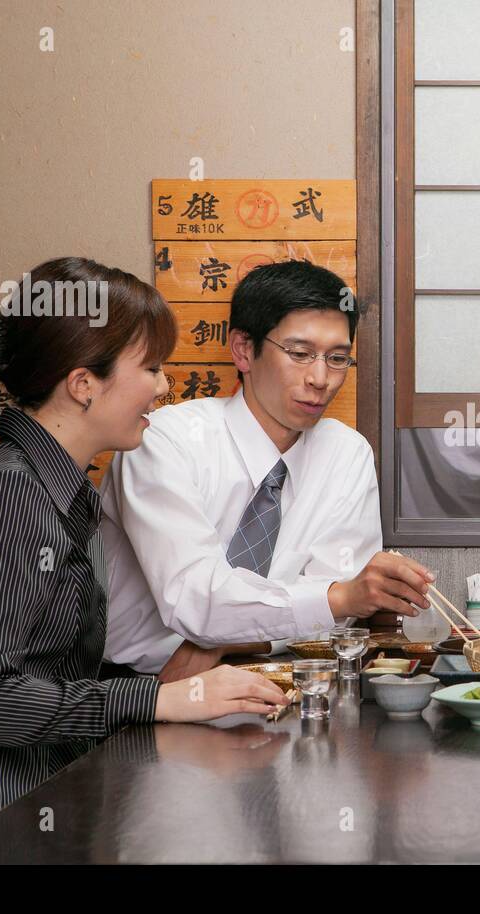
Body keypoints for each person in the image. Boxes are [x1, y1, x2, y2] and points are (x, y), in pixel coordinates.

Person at [0, 259, 290, 865]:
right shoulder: (11, 495)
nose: (163, 388)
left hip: (21, 814)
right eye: (151, 368)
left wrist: (168, 684)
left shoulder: (60, 491)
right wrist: (161, 700)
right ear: (84, 383)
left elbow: (46, 672)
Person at [100, 260, 434, 680]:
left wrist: (225, 642)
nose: (321, 379)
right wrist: (330, 600)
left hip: (279, 675)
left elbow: (338, 616)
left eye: (337, 359)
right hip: (141, 683)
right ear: (243, 349)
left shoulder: (346, 453)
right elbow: (195, 600)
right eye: (300, 354)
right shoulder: (164, 442)